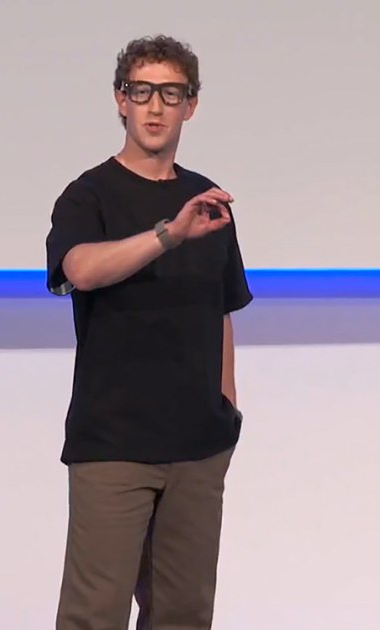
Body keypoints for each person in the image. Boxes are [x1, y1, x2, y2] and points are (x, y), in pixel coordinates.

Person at [45, 36, 252, 630]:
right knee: (94, 615)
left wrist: (227, 411)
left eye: (170, 93)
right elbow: (80, 269)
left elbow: (221, 309)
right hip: (113, 444)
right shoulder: (89, 195)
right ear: (121, 100)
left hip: (198, 447)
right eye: (141, 92)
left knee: (183, 615)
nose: (155, 106)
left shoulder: (208, 199)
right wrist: (168, 235)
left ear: (191, 105)